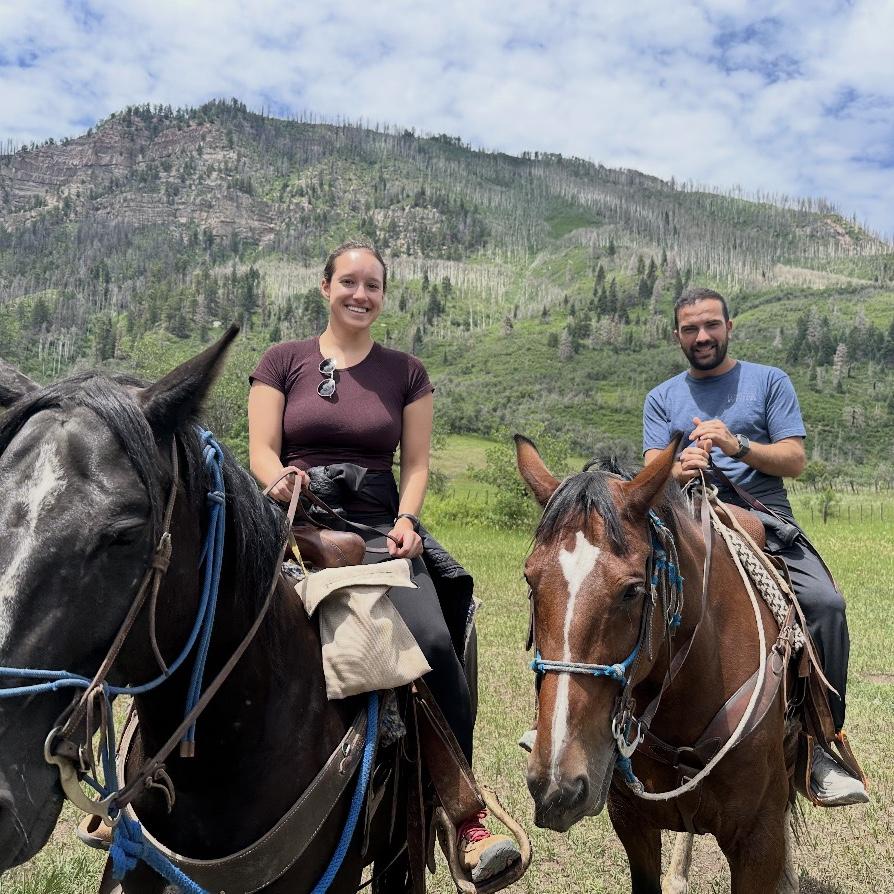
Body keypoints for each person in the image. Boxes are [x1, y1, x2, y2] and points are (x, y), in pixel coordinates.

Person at [247, 240, 521, 880]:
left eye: (373, 285)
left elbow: (417, 464)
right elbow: (260, 448)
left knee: (432, 640)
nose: (361, 295)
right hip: (292, 521)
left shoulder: (406, 371)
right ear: (325, 287)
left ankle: (462, 815)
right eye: (349, 282)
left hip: (374, 526)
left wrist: (405, 520)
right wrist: (282, 480)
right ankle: (148, 785)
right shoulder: (281, 361)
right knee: (214, 611)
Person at [642, 286, 868, 807]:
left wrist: (735, 446)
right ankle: (605, 725)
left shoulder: (769, 382)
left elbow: (794, 459)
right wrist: (678, 468)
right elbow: (655, 469)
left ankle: (820, 744)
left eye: (711, 326)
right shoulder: (661, 397)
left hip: (762, 517)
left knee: (826, 607)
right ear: (677, 335)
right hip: (686, 519)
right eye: (691, 329)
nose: (702, 336)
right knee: (617, 593)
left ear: (729, 327)